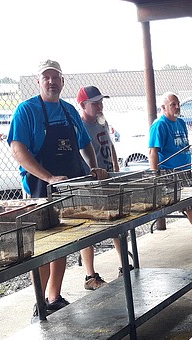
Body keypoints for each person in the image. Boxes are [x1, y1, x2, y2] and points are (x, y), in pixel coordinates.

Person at [8, 60, 109, 319]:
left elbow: (84, 144)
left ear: (63, 81)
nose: (51, 82)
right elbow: (18, 149)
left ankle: (54, 296)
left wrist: (94, 168)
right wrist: (48, 177)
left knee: (63, 242)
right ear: (38, 82)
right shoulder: (26, 110)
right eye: (46, 77)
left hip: (69, 186)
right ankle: (39, 303)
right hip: (41, 188)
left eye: (56, 77)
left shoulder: (68, 111)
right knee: (44, 247)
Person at [148, 92, 192, 246]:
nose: (177, 107)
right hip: (171, 173)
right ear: (163, 107)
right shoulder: (160, 125)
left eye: (178, 104)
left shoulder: (180, 123)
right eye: (172, 104)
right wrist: (156, 176)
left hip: (186, 171)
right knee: (190, 206)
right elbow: (153, 152)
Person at [77, 86, 122, 290]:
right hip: (91, 182)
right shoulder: (80, 126)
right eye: (95, 103)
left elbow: (110, 145)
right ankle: (90, 275)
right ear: (83, 105)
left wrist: (116, 167)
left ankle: (125, 266)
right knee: (89, 227)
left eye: (101, 102)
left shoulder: (102, 121)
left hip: (109, 177)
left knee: (118, 222)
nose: (99, 106)